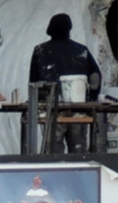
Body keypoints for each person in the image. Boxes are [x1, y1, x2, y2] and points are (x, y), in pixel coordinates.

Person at [29, 14, 102, 153]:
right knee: (79, 153)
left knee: (53, 156)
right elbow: (95, 77)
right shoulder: (81, 50)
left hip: (51, 110)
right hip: (77, 110)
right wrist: (91, 100)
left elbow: (33, 83)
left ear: (50, 28)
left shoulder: (40, 51)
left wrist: (38, 102)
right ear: (69, 29)